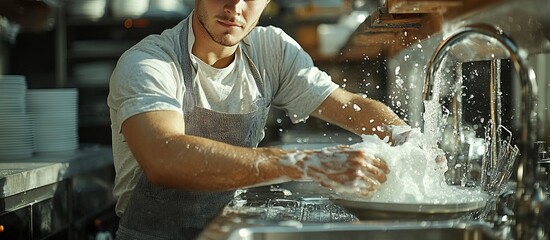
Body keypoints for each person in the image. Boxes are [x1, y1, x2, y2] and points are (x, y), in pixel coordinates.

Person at [107, 0, 408, 239]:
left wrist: (407, 139)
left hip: (226, 233)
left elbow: (349, 105)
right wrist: (303, 163)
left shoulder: (270, 51)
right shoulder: (150, 63)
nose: (235, 6)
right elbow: (164, 157)